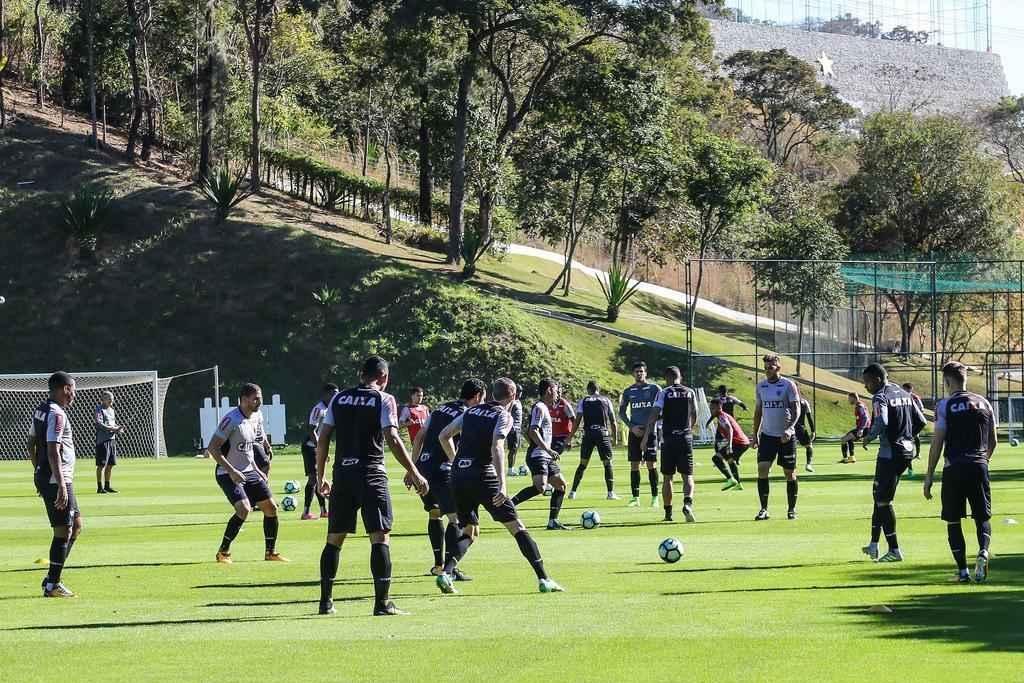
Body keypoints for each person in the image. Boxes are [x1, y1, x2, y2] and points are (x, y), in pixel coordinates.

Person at [315, 356, 428, 617]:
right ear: (384, 377)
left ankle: (326, 602)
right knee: (380, 536)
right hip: (371, 473)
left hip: (342, 474)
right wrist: (414, 471)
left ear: (360, 374)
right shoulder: (384, 399)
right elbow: (392, 437)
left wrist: (320, 476)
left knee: (334, 539)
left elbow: (323, 439)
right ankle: (382, 604)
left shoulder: (339, 398)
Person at [433, 377, 564, 594]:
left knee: (470, 530)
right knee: (517, 527)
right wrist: (503, 484)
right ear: (513, 396)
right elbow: (497, 446)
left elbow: (443, 435)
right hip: (483, 475)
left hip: (458, 475)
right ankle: (544, 579)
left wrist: (457, 461)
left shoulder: (471, 412)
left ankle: (446, 573)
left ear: (493, 394)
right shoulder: (504, 415)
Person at [923, 362, 996, 583]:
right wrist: (983, 461)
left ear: (946, 382)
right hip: (979, 465)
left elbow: (937, 442)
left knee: (953, 521)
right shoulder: (984, 402)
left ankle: (963, 572)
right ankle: (983, 551)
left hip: (953, 467)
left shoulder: (945, 405)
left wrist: (929, 476)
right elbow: (993, 440)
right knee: (982, 516)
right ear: (965, 379)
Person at [411, 379, 485, 579]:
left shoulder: (438, 409)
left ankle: (438, 565)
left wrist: (413, 468)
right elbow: (448, 438)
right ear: (477, 396)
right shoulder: (468, 413)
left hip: (423, 468)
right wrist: (455, 462)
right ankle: (449, 570)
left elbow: (419, 437)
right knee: (457, 519)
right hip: (444, 470)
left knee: (435, 513)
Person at [207, 383, 287, 564]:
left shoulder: (257, 416)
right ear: (244, 400)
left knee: (271, 508)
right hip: (227, 472)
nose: (259, 401)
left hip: (249, 471)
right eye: (255, 398)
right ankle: (223, 552)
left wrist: (258, 470)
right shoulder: (231, 420)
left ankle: (270, 552)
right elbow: (213, 448)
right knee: (244, 509)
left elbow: (249, 449)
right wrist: (232, 471)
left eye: (260, 397)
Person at [861, 363, 926, 563]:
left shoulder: (880, 396)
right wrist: (907, 436)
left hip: (890, 454)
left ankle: (894, 550)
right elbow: (922, 421)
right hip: (906, 452)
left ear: (877, 380)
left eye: (867, 382)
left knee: (883, 501)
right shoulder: (904, 394)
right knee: (879, 495)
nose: (866, 387)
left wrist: (869, 437)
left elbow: (883, 422)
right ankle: (873, 544)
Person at [31, 372, 80, 598]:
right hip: (58, 479)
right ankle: (52, 585)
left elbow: (30, 442)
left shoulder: (41, 409)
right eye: (72, 388)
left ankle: (52, 575)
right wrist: (59, 484)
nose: (74, 394)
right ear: (64, 388)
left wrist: (37, 470)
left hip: (52, 477)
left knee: (76, 526)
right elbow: (52, 450)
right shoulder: (56, 414)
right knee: (63, 531)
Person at [511, 378, 571, 530]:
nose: (558, 395)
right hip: (538, 455)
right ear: (549, 391)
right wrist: (547, 449)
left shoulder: (543, 407)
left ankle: (553, 522)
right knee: (540, 487)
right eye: (556, 391)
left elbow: (527, 431)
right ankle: (508, 505)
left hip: (545, 456)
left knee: (561, 485)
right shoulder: (539, 407)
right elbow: (532, 430)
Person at [641, 367, 698, 523]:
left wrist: (646, 436)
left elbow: (654, 414)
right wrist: (688, 430)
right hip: (685, 438)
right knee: (688, 476)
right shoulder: (690, 392)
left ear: (667, 378)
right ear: (680, 376)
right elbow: (695, 414)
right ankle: (687, 504)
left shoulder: (664, 392)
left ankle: (668, 513)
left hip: (668, 439)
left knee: (668, 478)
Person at [752, 354, 802, 521]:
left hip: (786, 437)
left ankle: (792, 509)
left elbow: (796, 410)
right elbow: (758, 411)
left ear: (778, 367)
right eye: (765, 368)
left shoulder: (788, 385)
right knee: (762, 469)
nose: (767, 371)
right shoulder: (761, 386)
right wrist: (755, 434)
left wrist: (789, 429)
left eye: (770, 367)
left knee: (789, 473)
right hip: (767, 436)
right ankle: (764, 509)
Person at [619, 361, 661, 508]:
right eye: (637, 372)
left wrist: (653, 424)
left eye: (641, 371)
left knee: (651, 464)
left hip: (650, 432)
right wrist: (631, 427)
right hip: (635, 432)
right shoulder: (628, 391)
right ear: (633, 374)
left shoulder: (655, 389)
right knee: (634, 465)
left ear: (646, 373)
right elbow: (621, 412)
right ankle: (635, 497)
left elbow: (662, 408)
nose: (639, 374)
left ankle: (655, 497)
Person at [568, 381, 618, 500]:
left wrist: (570, 437)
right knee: (607, 463)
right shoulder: (606, 400)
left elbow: (577, 420)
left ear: (588, 390)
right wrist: (615, 438)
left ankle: (572, 492)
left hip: (588, 434)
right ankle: (610, 493)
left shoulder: (584, 401)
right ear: (598, 389)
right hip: (602, 434)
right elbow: (613, 421)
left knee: (583, 464)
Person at [301, 383, 338, 520]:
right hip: (310, 447)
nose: (336, 396)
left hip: (318, 447)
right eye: (334, 393)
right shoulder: (319, 409)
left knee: (318, 479)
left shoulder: (331, 409)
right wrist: (319, 448)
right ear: (326, 394)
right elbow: (311, 429)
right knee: (313, 478)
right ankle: (305, 512)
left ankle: (323, 511)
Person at [710, 398, 749, 491]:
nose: (711, 410)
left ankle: (730, 479)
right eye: (710, 408)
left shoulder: (722, 416)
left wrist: (729, 445)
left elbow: (729, 429)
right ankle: (738, 484)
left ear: (719, 407)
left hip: (738, 443)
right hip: (743, 443)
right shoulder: (722, 415)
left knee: (716, 458)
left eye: (712, 408)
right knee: (730, 461)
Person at [94, 390, 123, 494]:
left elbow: (112, 424)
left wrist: (118, 429)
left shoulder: (112, 410)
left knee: (110, 464)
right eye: (109, 398)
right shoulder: (99, 409)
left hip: (112, 440)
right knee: (101, 465)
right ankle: (99, 487)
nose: (111, 400)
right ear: (103, 399)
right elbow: (99, 423)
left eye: (112, 398)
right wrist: (112, 429)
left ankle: (107, 486)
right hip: (102, 441)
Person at [902, 382, 926, 477]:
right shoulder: (901, 398)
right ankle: (908, 468)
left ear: (909, 390)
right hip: (905, 423)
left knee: (911, 441)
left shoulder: (915, 398)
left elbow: (922, 409)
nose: (903, 391)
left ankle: (917, 455)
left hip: (914, 423)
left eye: (904, 389)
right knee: (905, 444)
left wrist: (915, 415)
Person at [839, 392, 871, 464]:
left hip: (864, 428)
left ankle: (845, 459)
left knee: (843, 439)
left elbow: (865, 418)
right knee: (849, 439)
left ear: (853, 398)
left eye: (849, 399)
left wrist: (861, 429)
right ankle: (851, 458)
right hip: (865, 428)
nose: (848, 400)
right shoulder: (861, 405)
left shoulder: (859, 406)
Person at [550, 388, 576, 455]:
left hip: (562, 436)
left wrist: (569, 438)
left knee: (554, 453)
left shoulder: (565, 404)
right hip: (551, 435)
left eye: (559, 392)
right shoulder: (547, 403)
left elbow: (574, 421)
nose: (558, 394)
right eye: (556, 392)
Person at [795, 396, 816, 473]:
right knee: (809, 446)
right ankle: (808, 464)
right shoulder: (804, 402)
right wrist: (813, 431)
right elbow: (809, 417)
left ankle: (793, 464)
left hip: (790, 427)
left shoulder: (786, 400)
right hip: (801, 427)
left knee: (789, 446)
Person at [506, 387, 524, 476]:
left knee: (515, 449)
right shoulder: (512, 402)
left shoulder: (518, 402)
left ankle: (512, 468)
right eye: (518, 391)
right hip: (513, 428)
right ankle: (510, 469)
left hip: (518, 428)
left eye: (521, 391)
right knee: (513, 449)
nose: (520, 393)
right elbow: (507, 413)